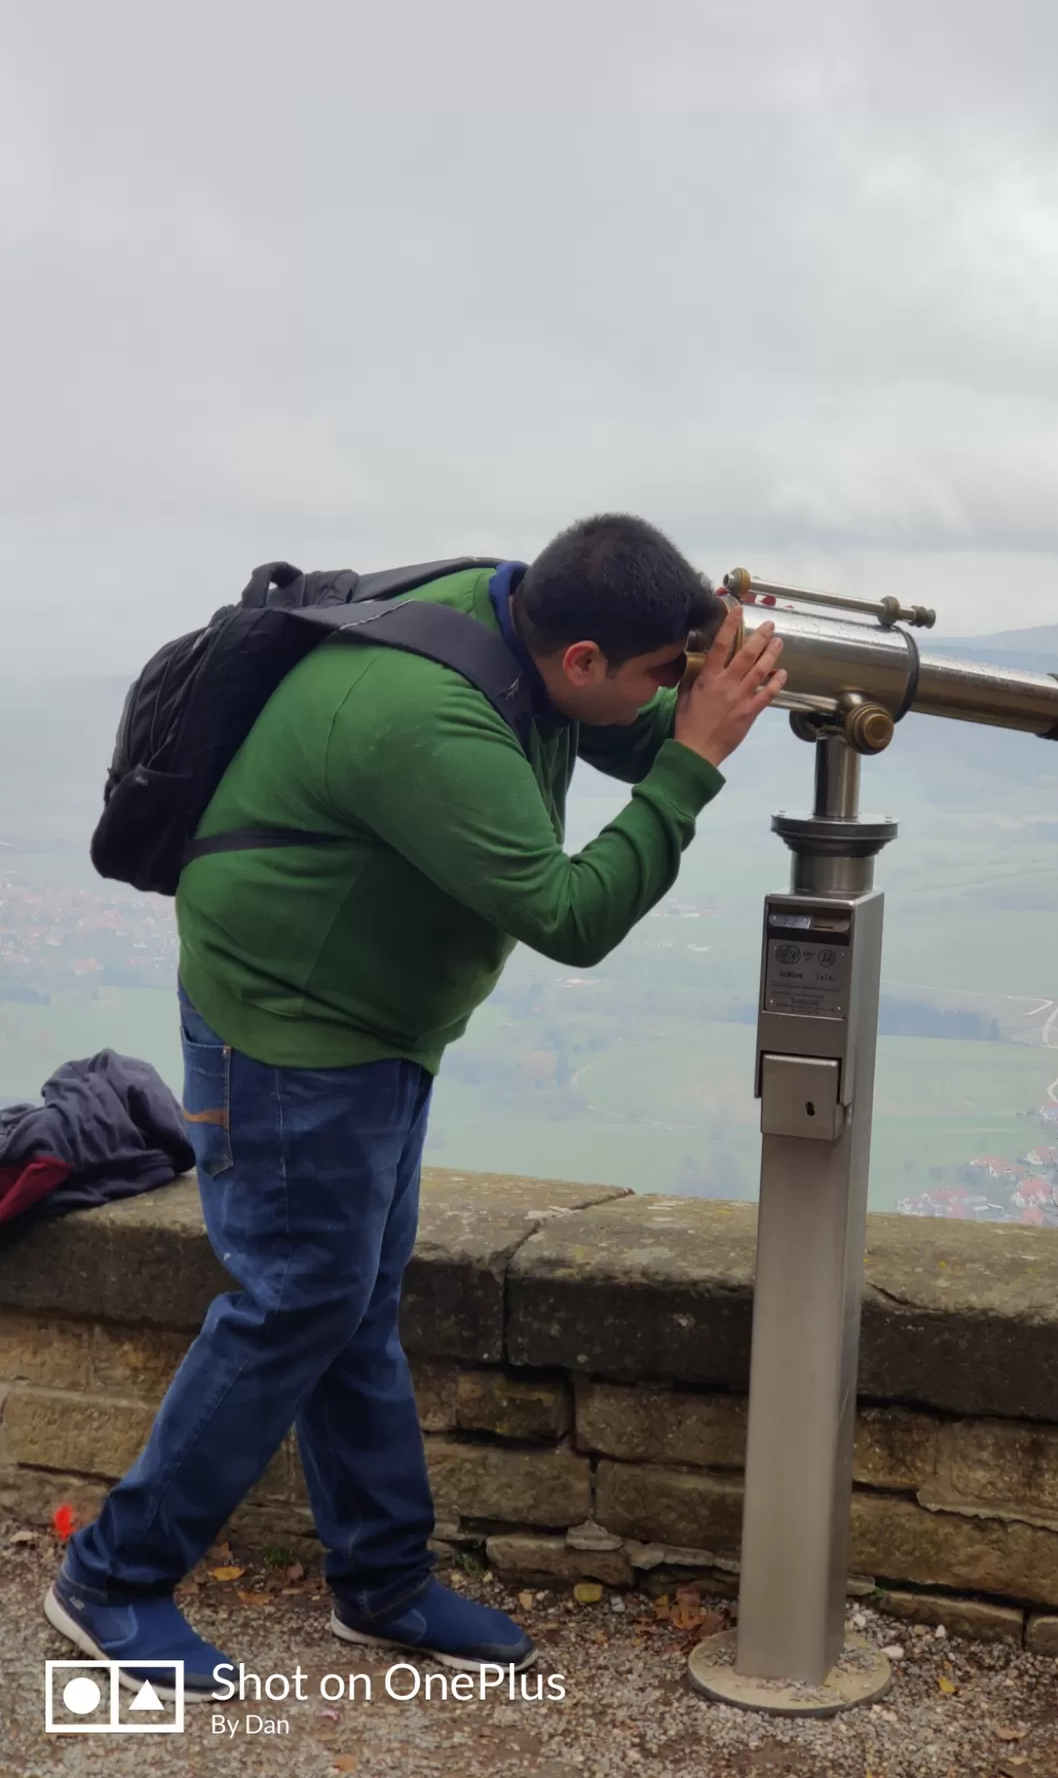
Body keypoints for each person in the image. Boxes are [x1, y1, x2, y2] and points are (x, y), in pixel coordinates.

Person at [44, 513, 786, 1699]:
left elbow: (618, 731)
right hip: (291, 1028)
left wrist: (706, 700)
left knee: (350, 1299)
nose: (664, 698)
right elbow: (575, 916)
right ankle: (113, 1577)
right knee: (295, 1301)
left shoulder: (515, 617)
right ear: (584, 657)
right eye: (655, 673)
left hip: (370, 1026)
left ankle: (381, 1584)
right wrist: (695, 762)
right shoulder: (427, 718)